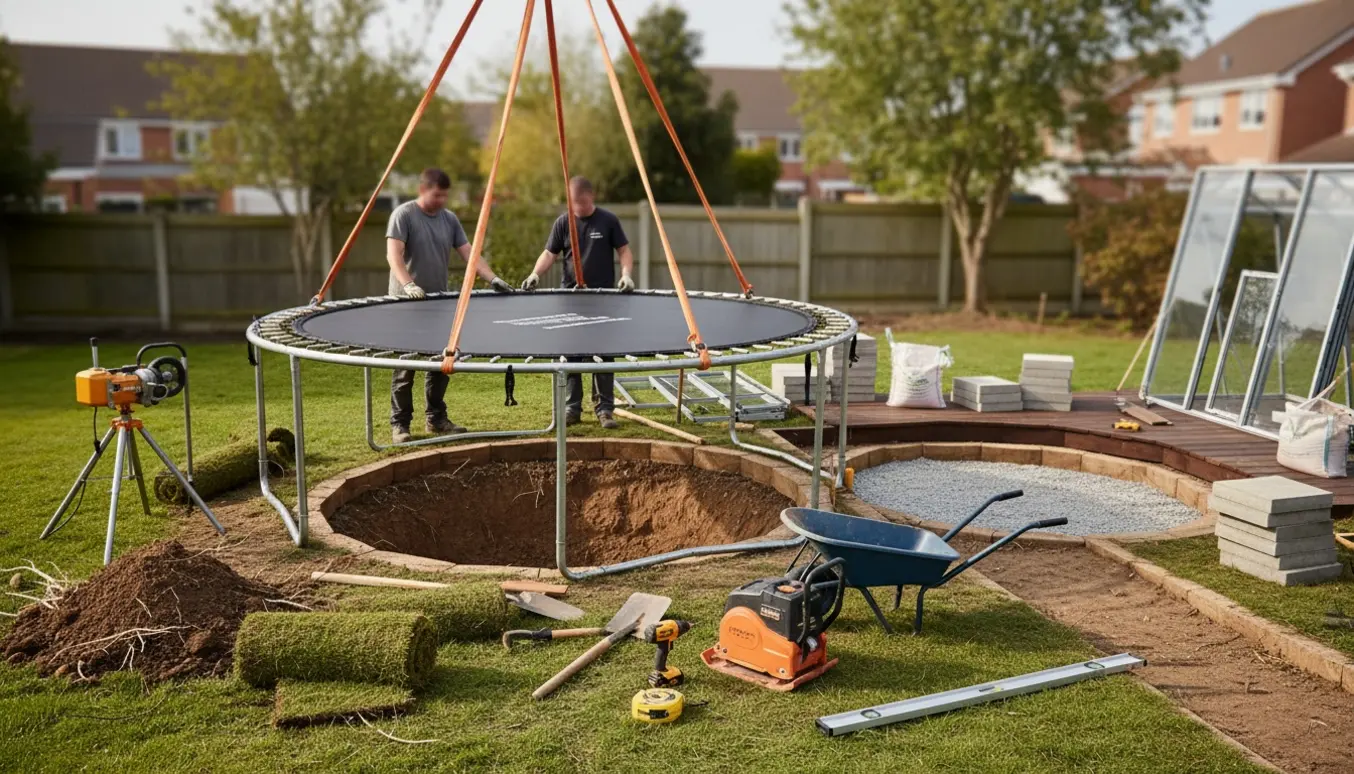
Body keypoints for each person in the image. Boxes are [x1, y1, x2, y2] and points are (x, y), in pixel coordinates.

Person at [387, 167, 513, 444]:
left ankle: (436, 418)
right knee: (405, 366)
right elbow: (394, 255)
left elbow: (469, 254)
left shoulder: (449, 220)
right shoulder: (404, 215)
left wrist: (492, 278)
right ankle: (400, 425)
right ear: (423, 190)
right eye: (436, 195)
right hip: (408, 303)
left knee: (442, 364)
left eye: (445, 196)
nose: (441, 201)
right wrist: (408, 284)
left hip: (438, 304)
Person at [520, 176, 634, 429]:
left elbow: (624, 250)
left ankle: (605, 410)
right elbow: (550, 253)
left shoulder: (608, 221)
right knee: (571, 353)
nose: (578, 208)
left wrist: (626, 276)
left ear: (591, 196)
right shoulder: (564, 222)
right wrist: (534, 275)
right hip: (570, 298)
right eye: (573, 203)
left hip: (602, 299)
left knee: (603, 354)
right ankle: (572, 408)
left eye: (581, 202)